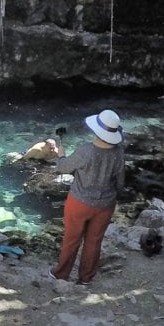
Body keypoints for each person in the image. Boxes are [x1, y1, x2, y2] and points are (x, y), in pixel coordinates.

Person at [48, 109, 126, 285]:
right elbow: (120, 183)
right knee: (94, 241)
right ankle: (86, 278)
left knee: (72, 238)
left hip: (79, 203)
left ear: (96, 130)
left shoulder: (86, 150)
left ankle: (60, 274)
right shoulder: (119, 153)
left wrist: (60, 154)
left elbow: (63, 167)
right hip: (105, 205)